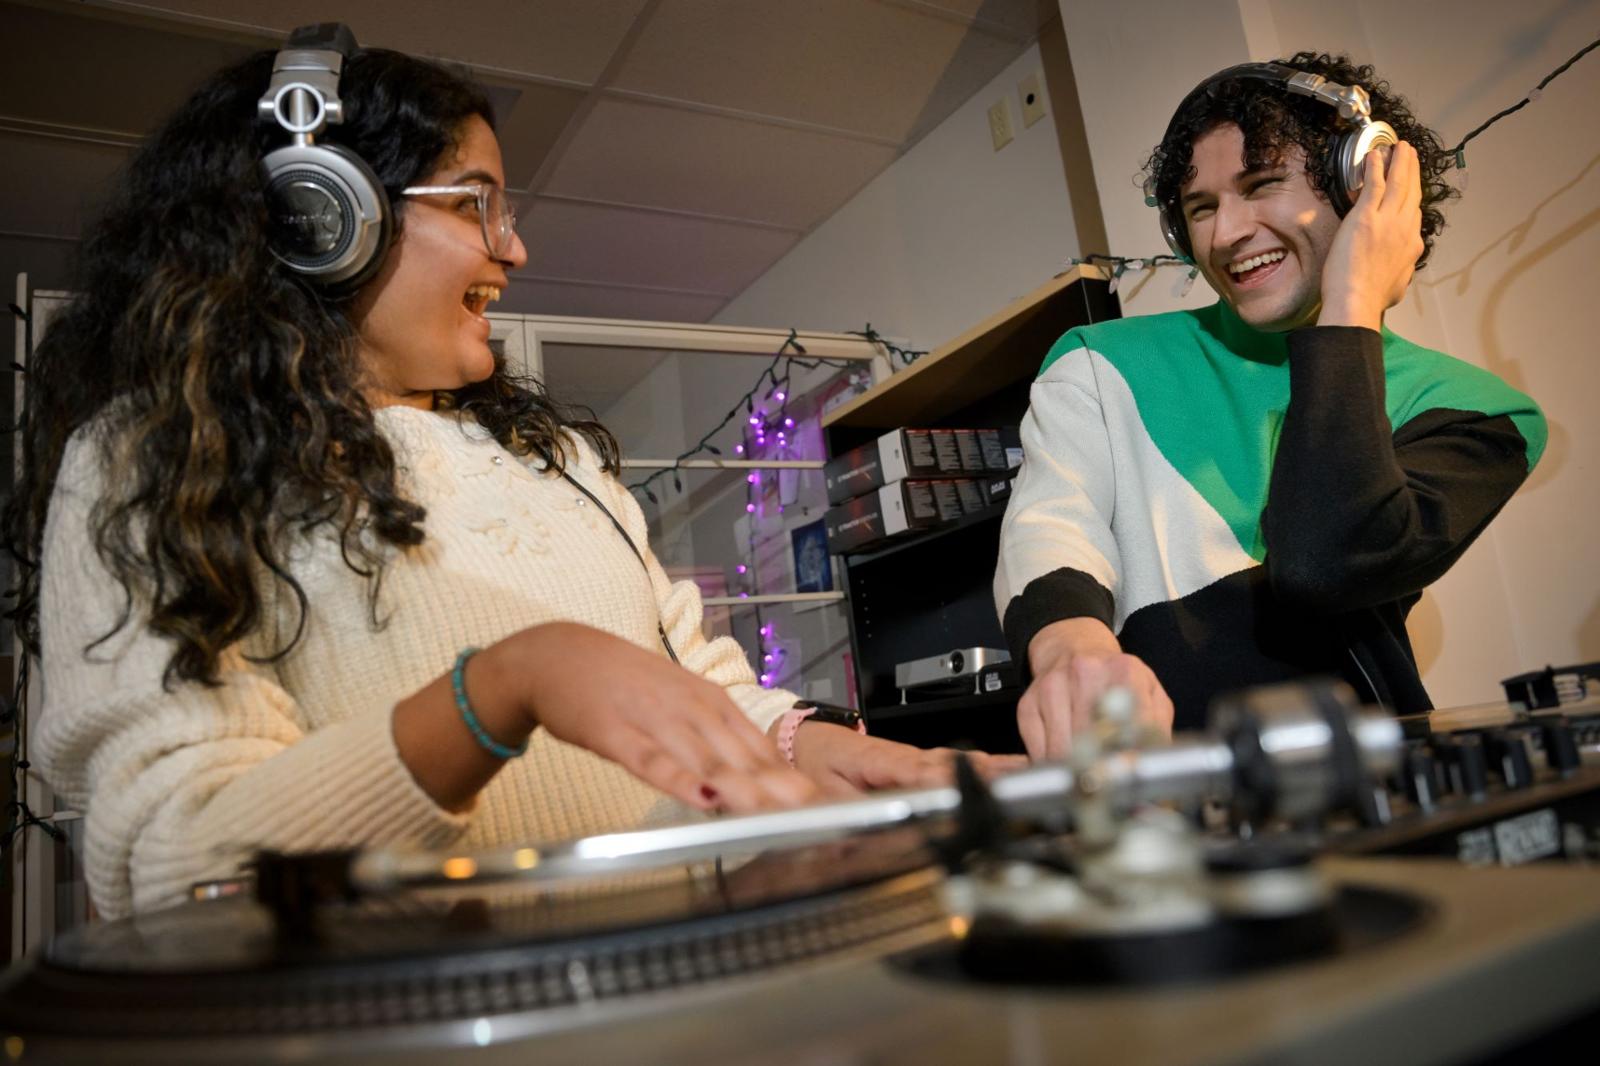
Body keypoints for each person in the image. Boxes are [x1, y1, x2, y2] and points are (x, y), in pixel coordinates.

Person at [5, 29, 1016, 921]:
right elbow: (182, 878)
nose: (517, 247)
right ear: (323, 217)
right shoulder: (150, 456)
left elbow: (686, 684)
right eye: (477, 204)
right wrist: (500, 690)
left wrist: (799, 744)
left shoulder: (557, 460)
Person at [995, 53, 1547, 759]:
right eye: (1201, 209)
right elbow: (1049, 527)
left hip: (1371, 788)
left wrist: (1351, 309)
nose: (1225, 235)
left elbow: (1324, 566)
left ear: (1364, 185)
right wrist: (1071, 651)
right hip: (1160, 792)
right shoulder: (1099, 365)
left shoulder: (1478, 411)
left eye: (1261, 186)